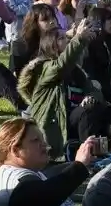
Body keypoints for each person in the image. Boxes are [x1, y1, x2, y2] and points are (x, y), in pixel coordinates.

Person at [18, 17, 100, 160]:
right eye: (62, 38)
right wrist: (79, 38)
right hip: (56, 121)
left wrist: (91, 96)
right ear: (52, 45)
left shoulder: (75, 71)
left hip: (73, 118)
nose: (67, 40)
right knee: (86, 113)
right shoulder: (45, 68)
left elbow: (92, 89)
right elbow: (61, 65)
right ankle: (87, 156)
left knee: (103, 108)